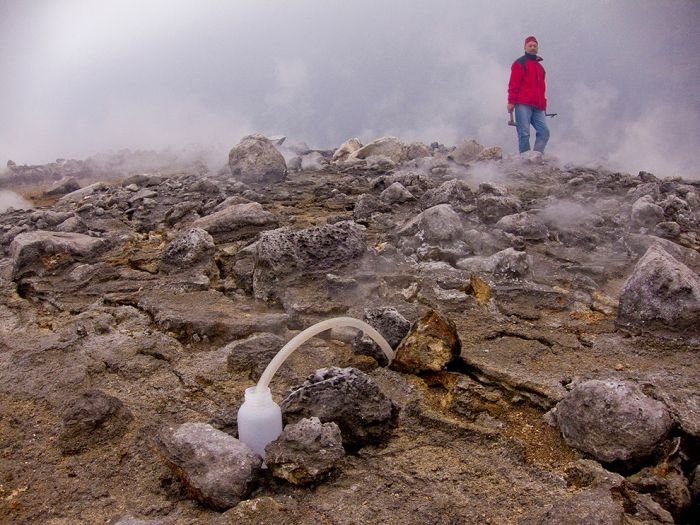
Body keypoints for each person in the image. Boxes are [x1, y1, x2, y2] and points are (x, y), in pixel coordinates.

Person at [507, 35, 550, 154]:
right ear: (525, 47)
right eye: (530, 45)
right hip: (523, 103)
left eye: (535, 46)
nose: (532, 48)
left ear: (538, 48)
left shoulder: (540, 68)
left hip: (538, 106)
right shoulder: (520, 63)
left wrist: (544, 106)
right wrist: (511, 101)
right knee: (524, 132)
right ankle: (525, 160)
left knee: (544, 132)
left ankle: (536, 156)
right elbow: (513, 84)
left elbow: (542, 89)